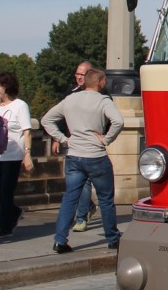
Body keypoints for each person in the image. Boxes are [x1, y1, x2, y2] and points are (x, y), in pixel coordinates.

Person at [40, 67, 123, 252]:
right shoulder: (103, 100)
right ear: (100, 82)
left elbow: (46, 120)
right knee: (105, 199)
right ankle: (112, 237)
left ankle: (60, 240)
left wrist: (63, 139)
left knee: (70, 198)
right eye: (104, 81)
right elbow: (118, 121)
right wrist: (106, 139)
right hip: (96, 156)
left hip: (74, 156)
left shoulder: (70, 99)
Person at [55, 62, 99, 232]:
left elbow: (111, 118)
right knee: (74, 181)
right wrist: (58, 138)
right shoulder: (70, 94)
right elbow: (58, 117)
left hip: (90, 145)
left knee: (85, 181)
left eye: (83, 74)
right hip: (72, 143)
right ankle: (87, 206)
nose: (80, 77)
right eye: (77, 74)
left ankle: (81, 217)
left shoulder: (98, 95)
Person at [0, 72, 34, 238]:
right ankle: (14, 212)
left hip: (13, 155)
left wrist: (27, 154)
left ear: (7, 87)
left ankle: (5, 226)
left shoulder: (20, 105)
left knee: (5, 191)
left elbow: (27, 131)